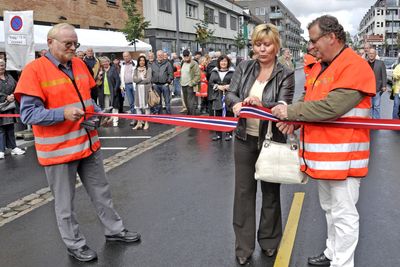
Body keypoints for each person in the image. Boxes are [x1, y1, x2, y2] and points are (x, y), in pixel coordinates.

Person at [14, 23, 141, 262]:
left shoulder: (80, 64)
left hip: (88, 143)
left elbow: (86, 100)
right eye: (68, 44)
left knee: (102, 191)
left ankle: (114, 230)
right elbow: (28, 115)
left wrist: (97, 112)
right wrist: (61, 113)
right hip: (58, 151)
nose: (73, 48)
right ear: (50, 43)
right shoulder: (34, 71)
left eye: (76, 44)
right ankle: (74, 244)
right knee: (65, 204)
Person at [272, 15, 375, 267]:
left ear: (331, 37)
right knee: (330, 209)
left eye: (314, 40)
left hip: (345, 158)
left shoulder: (355, 66)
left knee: (344, 214)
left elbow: (332, 107)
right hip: (326, 159)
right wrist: (295, 121)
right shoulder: (321, 66)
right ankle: (332, 253)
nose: (310, 46)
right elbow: (310, 102)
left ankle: (343, 263)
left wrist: (291, 113)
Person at [225, 23, 295, 265]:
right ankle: (243, 248)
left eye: (267, 44)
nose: (262, 49)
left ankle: (269, 241)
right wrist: (236, 103)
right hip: (244, 139)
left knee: (271, 194)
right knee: (243, 194)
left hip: (272, 140)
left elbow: (281, 107)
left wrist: (260, 104)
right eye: (257, 44)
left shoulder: (285, 73)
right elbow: (231, 93)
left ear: (276, 46)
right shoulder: (244, 67)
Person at [0, 59, 26, 159]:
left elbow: (17, 87)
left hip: (10, 106)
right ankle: (1, 150)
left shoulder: (9, 77)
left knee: (10, 128)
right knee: (1, 129)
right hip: (1, 106)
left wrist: (13, 95)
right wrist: (5, 97)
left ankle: (14, 147)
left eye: (2, 65)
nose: (1, 67)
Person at [208, 55, 235, 141]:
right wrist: (217, 86)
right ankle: (218, 133)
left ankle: (229, 133)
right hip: (217, 95)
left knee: (229, 113)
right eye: (222, 61)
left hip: (229, 95)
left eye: (225, 61)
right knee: (218, 114)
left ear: (228, 62)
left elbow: (236, 82)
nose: (223, 63)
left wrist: (229, 86)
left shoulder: (232, 72)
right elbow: (211, 83)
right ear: (219, 62)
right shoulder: (214, 71)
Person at [98, 56, 121, 126]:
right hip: (104, 92)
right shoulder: (101, 71)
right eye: (103, 62)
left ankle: (115, 121)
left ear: (109, 62)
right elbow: (97, 82)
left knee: (115, 107)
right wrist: (99, 76)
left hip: (112, 92)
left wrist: (115, 90)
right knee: (106, 108)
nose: (105, 63)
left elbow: (118, 81)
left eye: (106, 61)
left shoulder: (113, 69)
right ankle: (107, 120)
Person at [132, 55, 152, 130]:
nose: (142, 62)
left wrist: (139, 80)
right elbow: (134, 80)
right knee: (138, 107)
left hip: (145, 89)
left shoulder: (148, 69)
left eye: (143, 60)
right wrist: (141, 78)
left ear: (145, 61)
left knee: (146, 107)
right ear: (138, 62)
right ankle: (139, 123)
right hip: (138, 90)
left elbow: (148, 80)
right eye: (140, 60)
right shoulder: (135, 69)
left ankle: (146, 122)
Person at [151, 50, 173, 114]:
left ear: (163, 56)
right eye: (158, 55)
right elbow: (151, 73)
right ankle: (159, 115)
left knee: (167, 101)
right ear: (156, 56)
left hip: (165, 85)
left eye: (161, 55)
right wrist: (153, 83)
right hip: (156, 85)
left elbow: (171, 74)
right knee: (158, 101)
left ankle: (168, 114)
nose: (160, 56)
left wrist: (168, 82)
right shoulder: (153, 64)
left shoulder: (167, 63)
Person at [367, 48, 386, 119]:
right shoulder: (365, 63)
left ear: (375, 55)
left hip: (377, 88)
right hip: (368, 89)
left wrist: (384, 85)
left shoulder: (380, 63)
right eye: (370, 53)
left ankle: (377, 120)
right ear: (368, 54)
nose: (371, 55)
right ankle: (370, 120)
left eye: (373, 53)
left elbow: (384, 74)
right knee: (370, 106)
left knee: (377, 106)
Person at [180, 50, 200, 115]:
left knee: (191, 102)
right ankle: (189, 115)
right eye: (184, 56)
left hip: (190, 85)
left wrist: (192, 83)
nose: (186, 57)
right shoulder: (182, 62)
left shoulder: (194, 63)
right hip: (183, 85)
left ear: (190, 56)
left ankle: (192, 116)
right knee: (186, 102)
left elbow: (198, 75)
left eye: (187, 55)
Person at [120, 52, 137, 123]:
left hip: (134, 85)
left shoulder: (135, 63)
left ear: (130, 56)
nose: (126, 58)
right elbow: (121, 75)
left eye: (127, 56)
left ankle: (140, 118)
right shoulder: (122, 64)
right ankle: (134, 119)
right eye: (124, 56)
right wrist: (122, 86)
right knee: (131, 103)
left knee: (137, 103)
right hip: (126, 85)